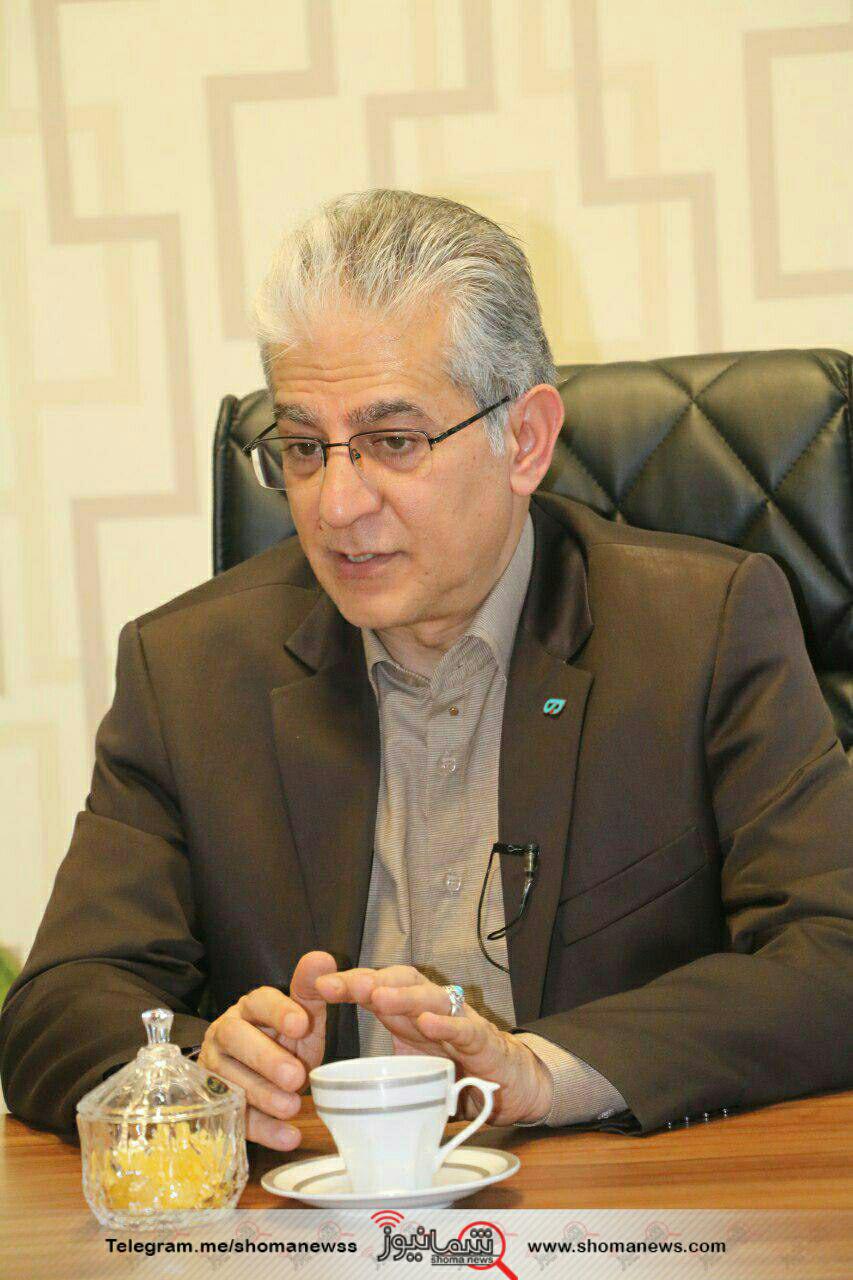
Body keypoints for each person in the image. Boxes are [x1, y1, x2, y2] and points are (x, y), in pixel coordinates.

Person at [1, 190, 851, 1150]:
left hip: (615, 1204)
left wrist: (547, 1073)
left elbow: (835, 955)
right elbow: (55, 1009)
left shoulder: (700, 632)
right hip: (308, 1214)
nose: (336, 505)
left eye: (393, 442)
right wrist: (202, 1070)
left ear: (524, 439)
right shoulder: (188, 670)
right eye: (303, 447)